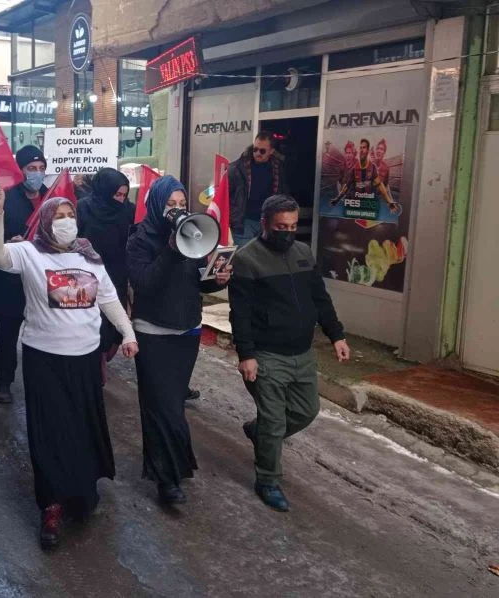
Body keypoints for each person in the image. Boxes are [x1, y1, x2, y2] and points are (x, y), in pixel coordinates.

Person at [0, 190, 138, 549]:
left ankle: (82, 493)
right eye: (58, 215)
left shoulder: (89, 255)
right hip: (45, 358)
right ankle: (51, 504)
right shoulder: (29, 252)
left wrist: (128, 332)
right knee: (50, 431)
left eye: (70, 214)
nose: (66, 221)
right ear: (45, 220)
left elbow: (109, 299)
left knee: (82, 428)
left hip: (85, 357)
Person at [230, 194, 350, 512]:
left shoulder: (302, 253)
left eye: (294, 226)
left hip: (302, 352)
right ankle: (268, 479)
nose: (288, 231)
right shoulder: (246, 259)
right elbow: (239, 313)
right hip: (267, 354)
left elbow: (320, 299)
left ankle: (258, 433)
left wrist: (336, 335)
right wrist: (246, 354)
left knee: (306, 411)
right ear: (266, 223)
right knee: (273, 421)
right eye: (281, 226)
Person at [126, 175, 231, 504]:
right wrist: (171, 251)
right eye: (170, 205)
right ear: (157, 205)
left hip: (186, 333)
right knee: (162, 408)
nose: (177, 210)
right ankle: (167, 479)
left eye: (182, 204)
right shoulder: (139, 240)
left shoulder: (193, 233)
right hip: (153, 333)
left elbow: (197, 282)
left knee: (171, 405)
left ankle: (170, 470)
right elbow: (145, 284)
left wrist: (217, 279)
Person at [0, 145, 48, 404]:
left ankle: (41, 382)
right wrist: (9, 243)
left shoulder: (51, 197)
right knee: (8, 333)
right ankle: (3, 381)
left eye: (41, 169)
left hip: (42, 278)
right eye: (31, 169)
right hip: (10, 279)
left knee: (43, 333)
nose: (37, 173)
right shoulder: (7, 198)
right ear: (21, 170)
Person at [77, 168, 134, 377]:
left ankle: (104, 353)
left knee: (113, 323)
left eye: (124, 195)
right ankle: (95, 361)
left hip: (116, 273)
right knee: (93, 320)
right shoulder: (83, 208)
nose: (120, 200)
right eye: (117, 194)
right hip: (87, 273)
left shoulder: (128, 210)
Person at [228, 131, 288, 247]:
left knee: (264, 258)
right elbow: (227, 194)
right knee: (243, 258)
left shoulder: (278, 169)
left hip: (267, 221)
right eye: (255, 149)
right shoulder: (238, 167)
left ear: (271, 151)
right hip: (244, 222)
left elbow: (283, 195)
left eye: (262, 151)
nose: (257, 153)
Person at [331, 138, 399, 214]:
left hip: (370, 203)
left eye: (364, 148)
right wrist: (337, 199)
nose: (362, 150)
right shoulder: (354, 168)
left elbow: (381, 186)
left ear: (368, 151)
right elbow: (346, 186)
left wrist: (389, 202)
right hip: (355, 203)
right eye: (360, 148)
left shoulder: (373, 168)